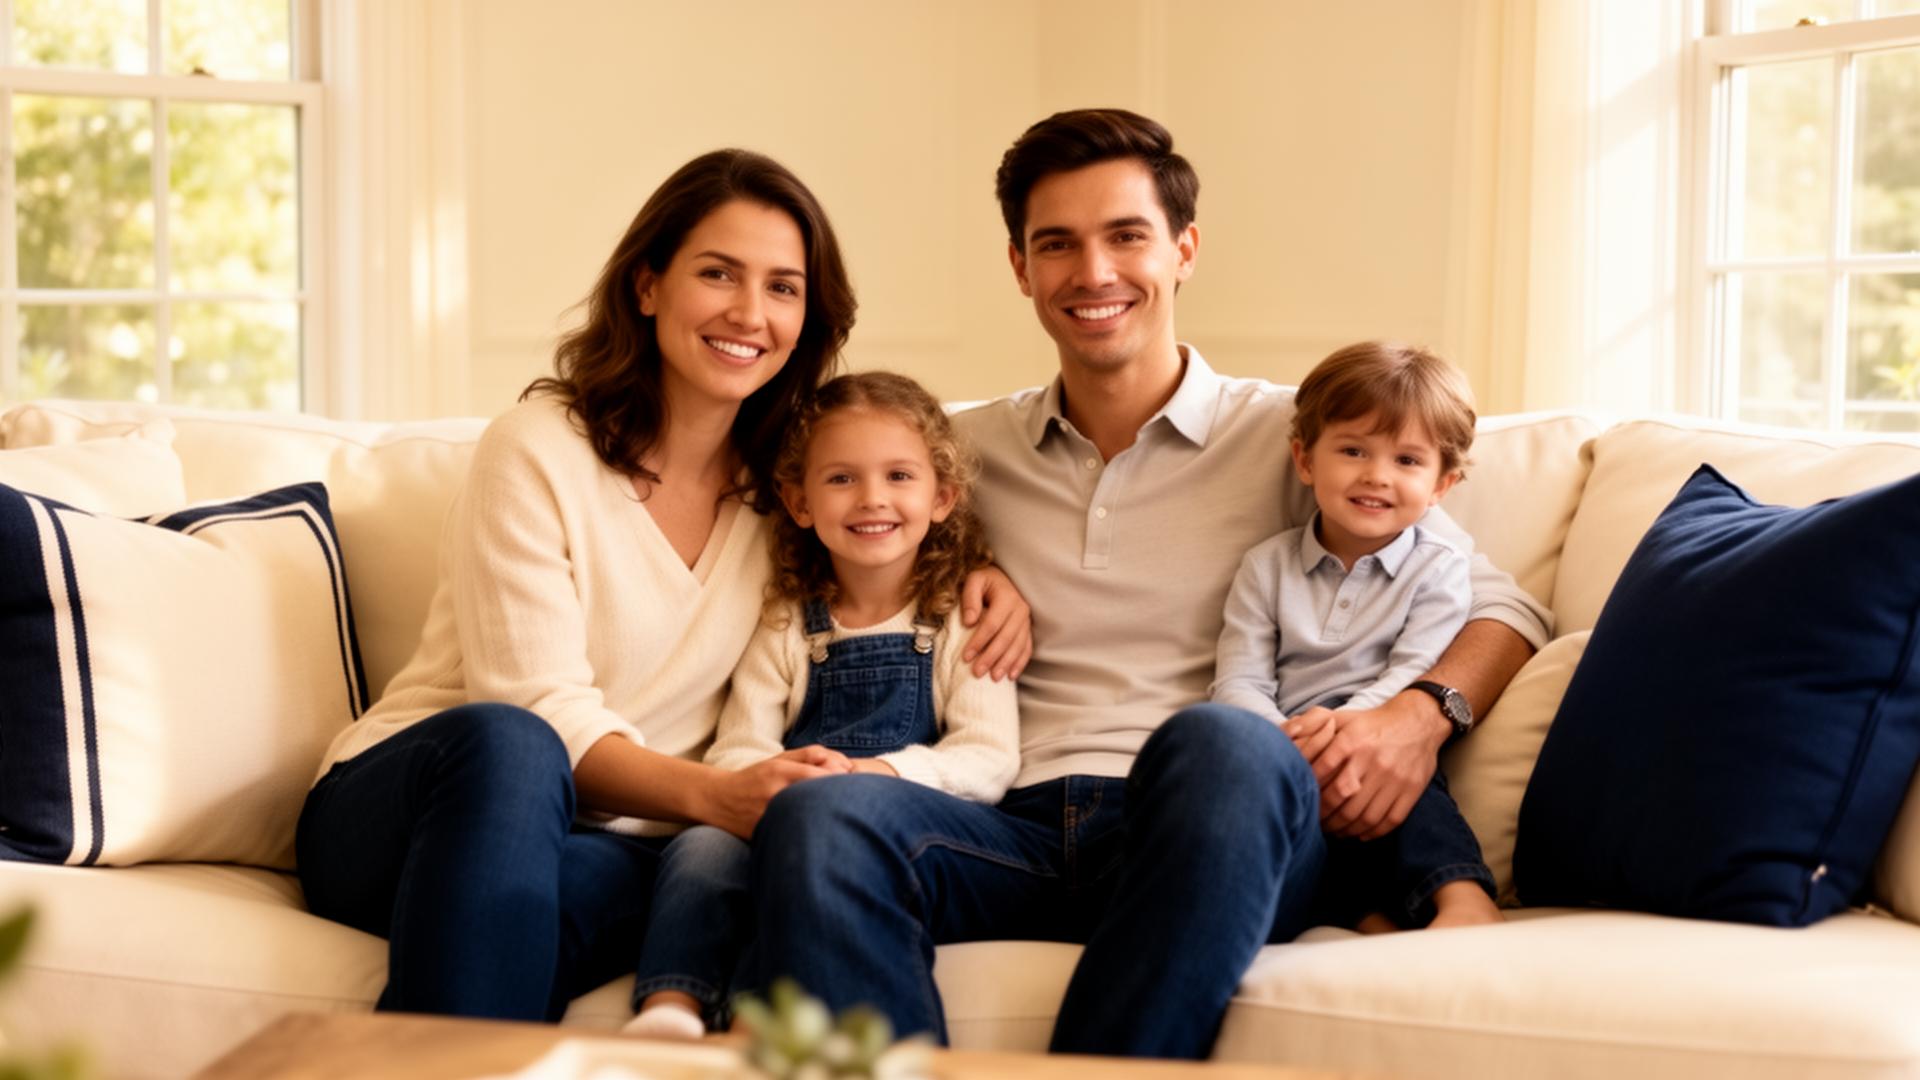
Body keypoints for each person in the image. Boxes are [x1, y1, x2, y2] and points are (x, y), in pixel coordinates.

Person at [740, 109, 1551, 1059]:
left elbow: (1505, 607)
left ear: (1184, 250)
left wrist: (1418, 717)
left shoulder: (1303, 438)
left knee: (1225, 739)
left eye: (1126, 236)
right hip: (1004, 823)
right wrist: (964, 564)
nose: (1094, 273)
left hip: (1208, 822)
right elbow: (863, 528)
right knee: (822, 816)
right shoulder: (960, 451)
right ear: (1021, 268)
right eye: (1057, 244)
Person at [294, 150, 1030, 1022]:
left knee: (591, 906)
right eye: (718, 273)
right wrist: (717, 798)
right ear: (647, 286)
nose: (749, 313)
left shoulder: (791, 492)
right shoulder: (537, 449)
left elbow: (894, 524)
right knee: (515, 745)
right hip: (426, 808)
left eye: (783, 288)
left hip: (625, 843)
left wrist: (978, 572)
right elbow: (536, 706)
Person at [625, 371, 1020, 1039]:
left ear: (943, 497)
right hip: (779, 805)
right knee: (702, 849)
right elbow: (740, 743)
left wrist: (880, 774)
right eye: (841, 478)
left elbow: (987, 757)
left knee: (804, 868)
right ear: (798, 501)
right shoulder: (786, 620)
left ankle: (753, 1018)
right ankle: (672, 1007)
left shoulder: (961, 615)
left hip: (897, 822)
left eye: (899, 476)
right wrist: (766, 783)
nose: (872, 499)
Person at [1210, 341, 1501, 934]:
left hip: (1378, 735)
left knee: (1413, 795)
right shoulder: (1265, 567)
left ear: (1442, 485)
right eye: (1353, 451)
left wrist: (1351, 733)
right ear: (1305, 460)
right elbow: (1239, 679)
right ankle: (1370, 922)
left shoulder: (1438, 568)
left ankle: (1462, 897)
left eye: (1407, 461)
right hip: (1287, 748)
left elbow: (1414, 669)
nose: (1377, 476)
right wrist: (1284, 746)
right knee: (1284, 837)